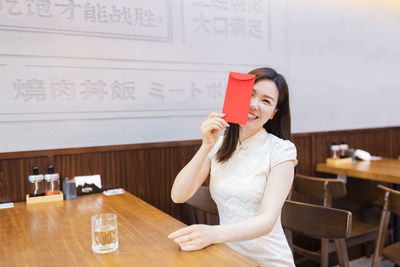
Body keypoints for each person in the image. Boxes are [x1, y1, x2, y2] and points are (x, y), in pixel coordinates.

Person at [168, 67, 297, 267]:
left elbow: (267, 220)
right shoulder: (219, 145)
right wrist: (206, 146)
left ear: (273, 113)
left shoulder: (282, 151)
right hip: (228, 257)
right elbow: (178, 195)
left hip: (268, 260)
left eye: (266, 101)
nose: (254, 105)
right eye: (250, 95)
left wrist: (212, 233)